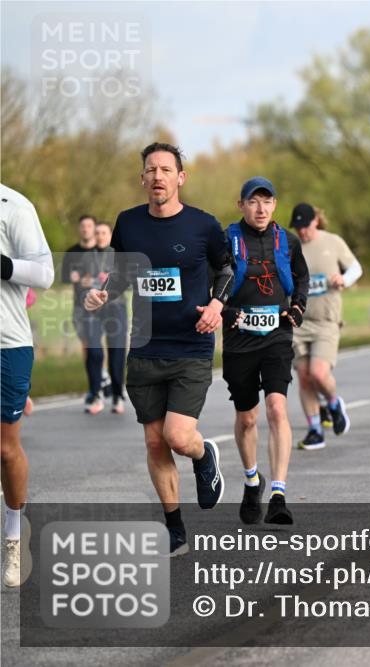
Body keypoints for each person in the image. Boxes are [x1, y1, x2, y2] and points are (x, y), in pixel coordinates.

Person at [84, 142, 231, 556]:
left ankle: (203, 456)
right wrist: (102, 296)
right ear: (142, 178)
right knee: (154, 443)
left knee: (178, 436)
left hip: (191, 345)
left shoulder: (203, 225)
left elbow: (226, 269)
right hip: (145, 347)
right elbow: (121, 277)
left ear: (180, 178)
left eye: (166, 169)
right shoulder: (128, 223)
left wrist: (218, 304)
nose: (158, 177)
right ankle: (175, 529)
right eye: (151, 170)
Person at [220, 178, 309, 525]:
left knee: (276, 407)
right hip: (239, 340)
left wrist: (298, 307)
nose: (260, 209)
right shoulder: (227, 240)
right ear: (240, 205)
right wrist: (226, 311)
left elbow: (301, 278)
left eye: (266, 202)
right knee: (247, 418)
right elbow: (213, 281)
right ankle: (251, 479)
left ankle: (278, 494)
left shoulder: (287, 240)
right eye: (253, 202)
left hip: (277, 335)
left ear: (275, 205)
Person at [1, 183, 55, 587]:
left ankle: (15, 535)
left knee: (5, 449)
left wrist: (3, 265)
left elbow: (45, 273)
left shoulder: (14, 205)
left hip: (7, 343)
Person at [288, 203, 362, 450]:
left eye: (306, 226)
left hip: (326, 320)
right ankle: (315, 429)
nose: (303, 232)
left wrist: (344, 278)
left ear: (316, 221)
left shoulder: (333, 242)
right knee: (304, 376)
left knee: (318, 372)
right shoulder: (291, 246)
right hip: (298, 322)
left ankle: (333, 403)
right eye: (298, 227)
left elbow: (355, 267)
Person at [62, 215, 101, 411]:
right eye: (82, 226)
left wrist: (93, 281)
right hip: (79, 306)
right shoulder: (72, 252)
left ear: (94, 229)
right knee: (87, 345)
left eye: (89, 226)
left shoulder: (101, 251)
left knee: (96, 344)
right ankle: (98, 379)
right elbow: (64, 278)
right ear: (79, 229)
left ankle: (99, 384)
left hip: (101, 307)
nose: (85, 229)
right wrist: (72, 277)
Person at [91, 220, 128, 413]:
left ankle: (117, 395)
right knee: (94, 352)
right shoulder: (88, 256)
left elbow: (126, 279)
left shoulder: (117, 255)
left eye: (103, 233)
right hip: (94, 311)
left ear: (110, 235)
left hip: (116, 308)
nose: (100, 236)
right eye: (97, 233)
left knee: (116, 353)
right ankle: (97, 393)